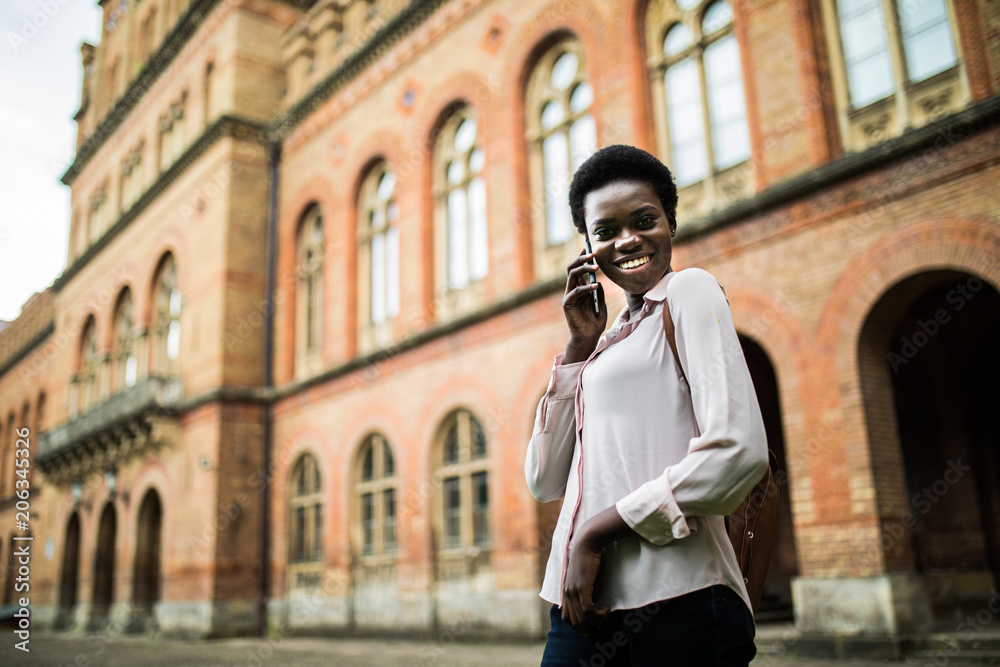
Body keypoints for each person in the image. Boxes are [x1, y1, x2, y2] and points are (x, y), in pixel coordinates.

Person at [525, 144, 769, 666]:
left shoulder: (689, 291)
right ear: (588, 247)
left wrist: (593, 535)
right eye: (605, 231)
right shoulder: (605, 342)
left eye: (644, 220)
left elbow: (739, 453)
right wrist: (577, 349)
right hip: (579, 606)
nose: (627, 240)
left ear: (671, 224)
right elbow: (544, 480)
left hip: (680, 600)